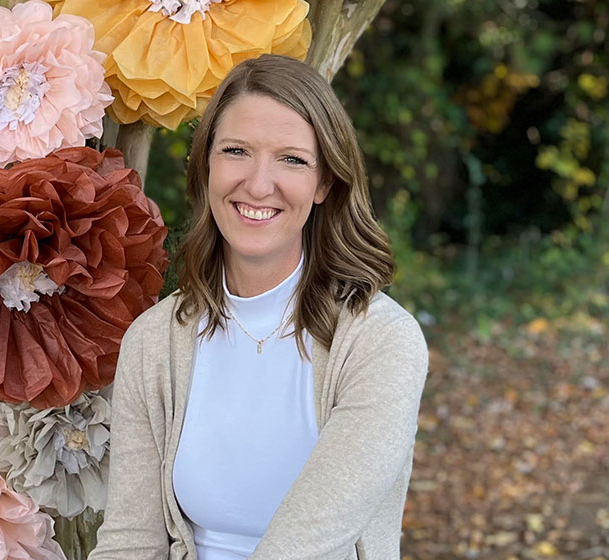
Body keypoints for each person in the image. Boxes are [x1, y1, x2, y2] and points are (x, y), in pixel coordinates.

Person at [89, 54, 429, 560]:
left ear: (324, 184)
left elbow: (303, 545)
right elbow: (129, 544)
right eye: (236, 151)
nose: (258, 183)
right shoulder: (154, 342)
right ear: (207, 166)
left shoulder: (382, 342)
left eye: (291, 159)